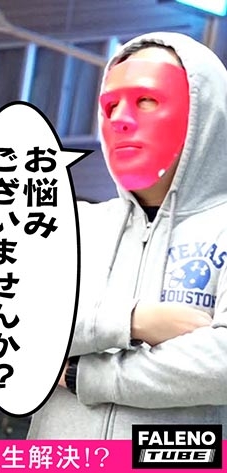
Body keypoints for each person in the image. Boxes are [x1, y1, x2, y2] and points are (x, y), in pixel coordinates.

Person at [29, 32, 227, 439]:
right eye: (110, 105)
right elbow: (16, 327)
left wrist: (82, 374)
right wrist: (132, 321)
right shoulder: (72, 227)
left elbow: (220, 363)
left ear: (204, 115)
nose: (120, 118)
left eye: (147, 100)